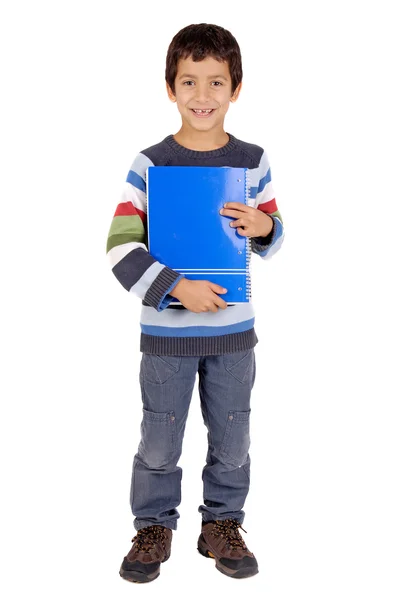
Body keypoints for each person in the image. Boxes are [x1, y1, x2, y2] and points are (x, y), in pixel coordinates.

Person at [106, 22, 284, 584]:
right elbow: (119, 248)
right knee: (160, 440)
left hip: (234, 336)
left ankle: (222, 523)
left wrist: (264, 226)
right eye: (189, 81)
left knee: (233, 438)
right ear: (170, 88)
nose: (202, 95)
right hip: (167, 337)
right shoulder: (150, 163)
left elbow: (272, 235)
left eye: (216, 82)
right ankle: (153, 526)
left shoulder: (252, 160)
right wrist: (177, 288)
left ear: (236, 89)